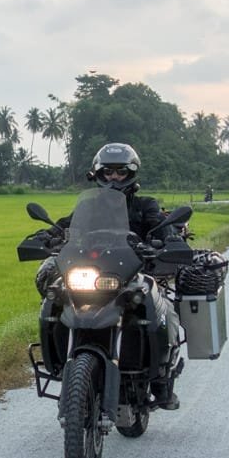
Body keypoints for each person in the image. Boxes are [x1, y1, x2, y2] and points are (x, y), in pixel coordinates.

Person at [42, 142, 183, 410]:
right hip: (94, 270)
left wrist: (169, 240)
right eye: (108, 172)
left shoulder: (145, 205)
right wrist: (48, 235)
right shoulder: (90, 205)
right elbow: (67, 225)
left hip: (133, 271)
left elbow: (160, 226)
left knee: (162, 307)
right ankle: (59, 364)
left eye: (120, 172)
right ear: (98, 174)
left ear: (131, 174)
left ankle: (162, 380)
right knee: (55, 298)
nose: (114, 178)